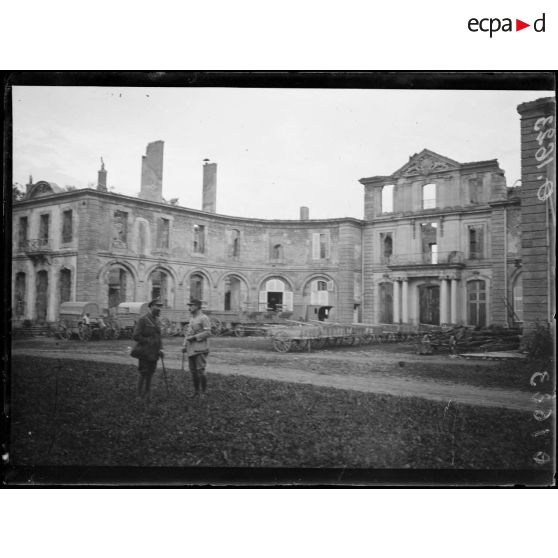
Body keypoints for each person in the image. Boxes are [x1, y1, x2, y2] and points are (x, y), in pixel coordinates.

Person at [132, 299, 164, 401]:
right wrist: (148, 340)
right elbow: (136, 336)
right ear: (150, 307)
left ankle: (147, 393)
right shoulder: (143, 319)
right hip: (145, 351)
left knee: (151, 372)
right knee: (143, 372)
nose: (159, 308)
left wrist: (161, 349)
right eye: (156, 306)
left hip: (154, 352)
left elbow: (159, 337)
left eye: (160, 306)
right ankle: (138, 395)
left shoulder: (157, 321)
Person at [182, 298, 211, 397]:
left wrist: (195, 337)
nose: (189, 308)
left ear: (198, 306)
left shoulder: (204, 318)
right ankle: (196, 392)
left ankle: (203, 393)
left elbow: (208, 332)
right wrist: (184, 344)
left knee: (200, 371)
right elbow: (188, 333)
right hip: (191, 349)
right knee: (193, 372)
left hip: (200, 348)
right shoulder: (192, 319)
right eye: (189, 306)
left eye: (191, 305)